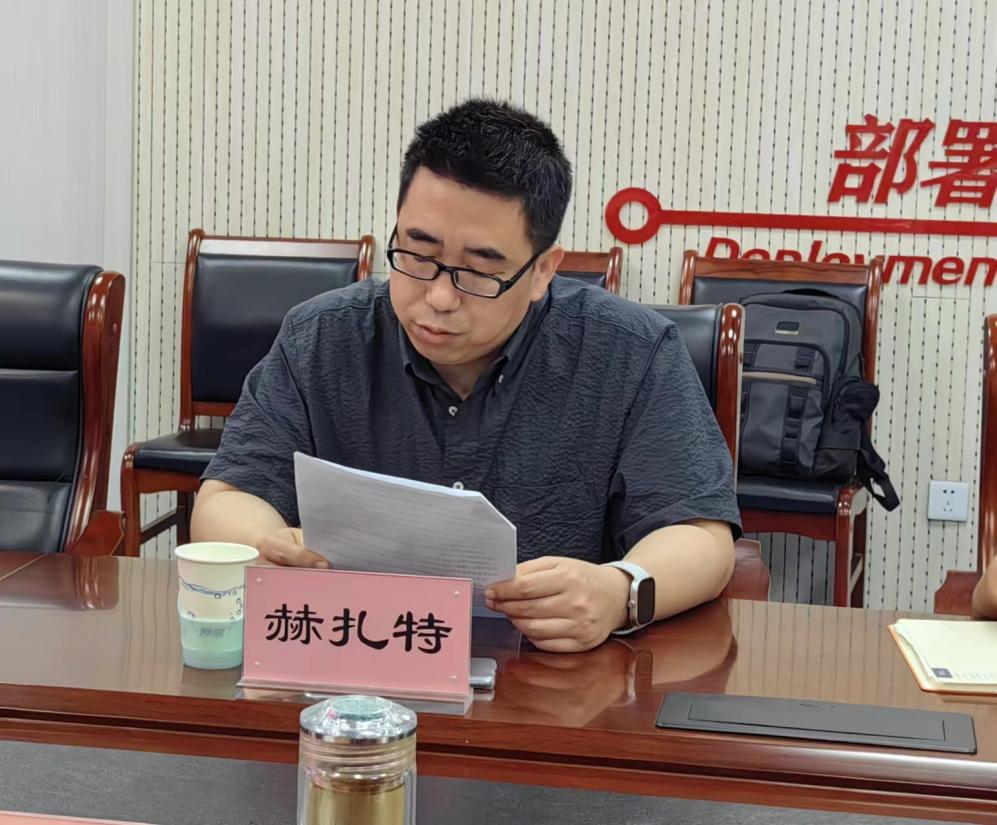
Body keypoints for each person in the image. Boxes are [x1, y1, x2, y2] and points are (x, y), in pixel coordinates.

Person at [192, 99, 741, 652]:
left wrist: (619, 590)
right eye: (417, 253)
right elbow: (227, 496)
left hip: (554, 675)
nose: (438, 297)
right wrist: (264, 547)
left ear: (542, 270)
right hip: (354, 661)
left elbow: (702, 536)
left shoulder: (631, 352)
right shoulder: (322, 337)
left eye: (479, 272)